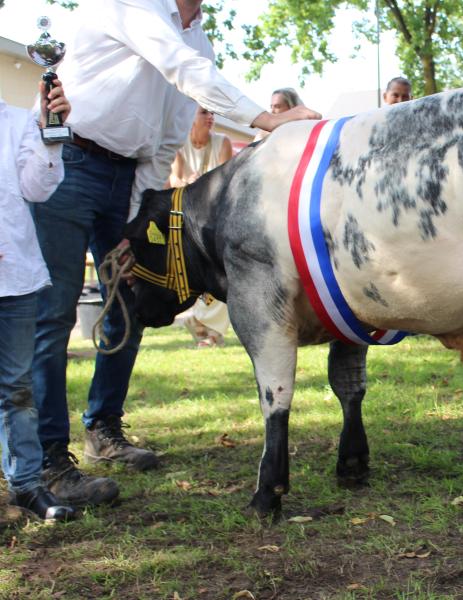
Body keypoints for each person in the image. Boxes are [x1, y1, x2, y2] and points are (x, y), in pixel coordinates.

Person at [31, 0, 321, 507]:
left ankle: (103, 429)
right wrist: (263, 119)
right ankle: (48, 457)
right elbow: (181, 68)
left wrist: (135, 216)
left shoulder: (199, 36)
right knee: (53, 315)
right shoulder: (132, 6)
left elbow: (167, 138)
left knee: (130, 303)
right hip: (70, 162)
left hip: (126, 177)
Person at [0, 79, 78, 521]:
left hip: (15, 277)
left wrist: (53, 134)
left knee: (17, 388)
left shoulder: (18, 121)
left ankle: (26, 485)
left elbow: (38, 189)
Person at [170, 105, 233, 348]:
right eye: (204, 113)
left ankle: (211, 331)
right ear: (191, 117)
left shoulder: (222, 142)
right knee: (194, 273)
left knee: (220, 271)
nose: (210, 117)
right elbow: (174, 179)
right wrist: (187, 181)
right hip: (188, 220)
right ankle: (200, 324)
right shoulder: (179, 145)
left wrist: (202, 183)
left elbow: (225, 178)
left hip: (215, 221)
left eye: (212, 113)